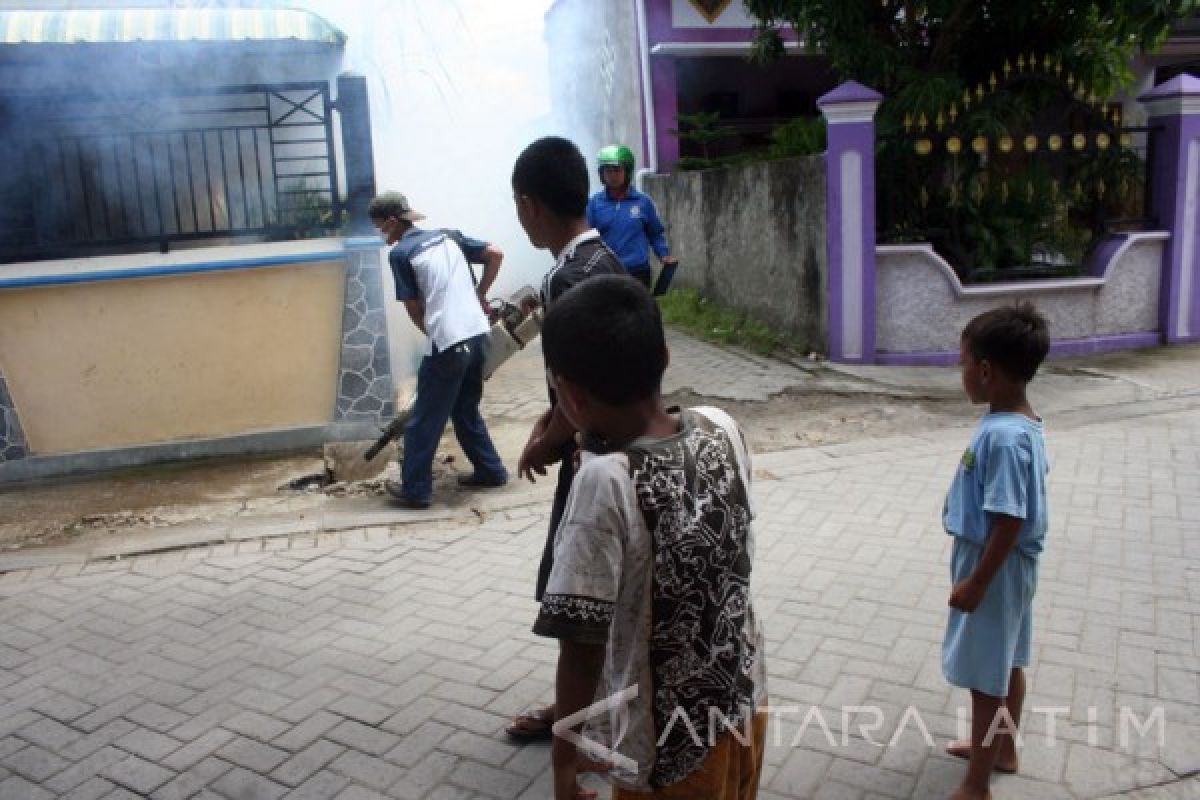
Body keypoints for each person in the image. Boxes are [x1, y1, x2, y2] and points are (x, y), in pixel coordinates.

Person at [533, 274, 768, 800]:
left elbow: (580, 643)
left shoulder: (605, 482)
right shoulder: (721, 425)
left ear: (568, 392)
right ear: (663, 358)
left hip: (666, 752)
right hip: (742, 703)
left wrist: (563, 761)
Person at [506, 136, 626, 741]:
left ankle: (574, 717)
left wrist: (544, 440)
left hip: (593, 457)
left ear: (530, 206)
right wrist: (549, 419)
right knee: (615, 586)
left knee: (576, 594)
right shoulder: (608, 261)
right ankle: (602, 701)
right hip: (627, 447)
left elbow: (576, 390)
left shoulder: (563, 280)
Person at [941, 302, 1050, 800]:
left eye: (963, 363)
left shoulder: (1004, 438)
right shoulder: (1019, 424)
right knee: (1007, 662)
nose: (960, 373)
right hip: (1007, 566)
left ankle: (976, 785)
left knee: (988, 676)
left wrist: (977, 582)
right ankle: (1002, 749)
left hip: (995, 568)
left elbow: (1010, 519)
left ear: (985, 371)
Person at [367, 191, 508, 509]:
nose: (381, 235)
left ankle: (416, 490)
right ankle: (491, 470)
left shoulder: (401, 254)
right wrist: (479, 296)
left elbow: (414, 310)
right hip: (478, 334)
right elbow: (495, 254)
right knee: (464, 410)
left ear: (393, 222)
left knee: (424, 419)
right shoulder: (449, 236)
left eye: (380, 227)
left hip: (450, 342)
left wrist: (437, 337)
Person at [586, 144, 677, 292]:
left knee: (638, 314)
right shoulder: (594, 204)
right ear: (601, 174)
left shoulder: (643, 202)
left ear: (627, 171)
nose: (612, 175)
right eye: (608, 171)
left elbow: (655, 233)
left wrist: (663, 254)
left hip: (638, 272)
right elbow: (587, 238)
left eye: (617, 170)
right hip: (607, 273)